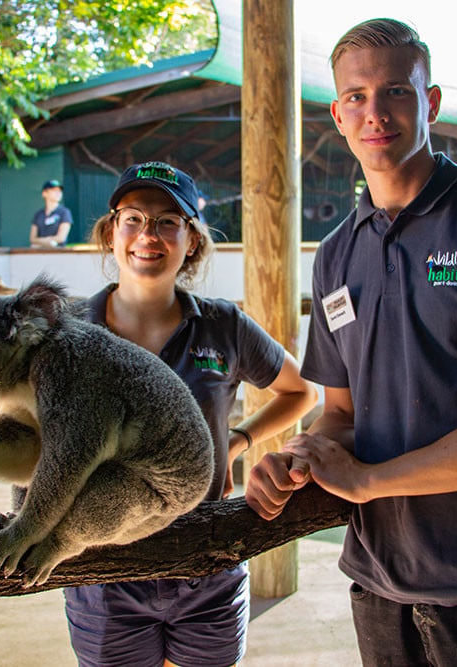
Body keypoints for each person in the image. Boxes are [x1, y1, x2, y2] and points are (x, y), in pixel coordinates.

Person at [244, 18, 457, 667]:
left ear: (429, 102)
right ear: (338, 115)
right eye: (356, 96)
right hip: (381, 583)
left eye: (395, 91)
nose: (375, 111)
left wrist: (373, 480)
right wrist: (301, 451)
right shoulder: (338, 255)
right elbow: (344, 413)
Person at [64, 160, 317, 667]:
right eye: (132, 218)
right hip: (104, 568)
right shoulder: (69, 331)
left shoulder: (223, 326)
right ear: (111, 233)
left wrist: (240, 440)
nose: (147, 235)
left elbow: (300, 392)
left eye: (167, 221)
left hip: (208, 560)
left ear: (192, 240)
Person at [29, 179, 73, 247]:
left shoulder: (65, 212)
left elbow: (61, 238)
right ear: (44, 193)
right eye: (54, 190)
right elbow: (32, 239)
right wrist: (48, 241)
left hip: (58, 253)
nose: (58, 193)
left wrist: (41, 242)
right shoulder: (38, 214)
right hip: (39, 253)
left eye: (59, 191)